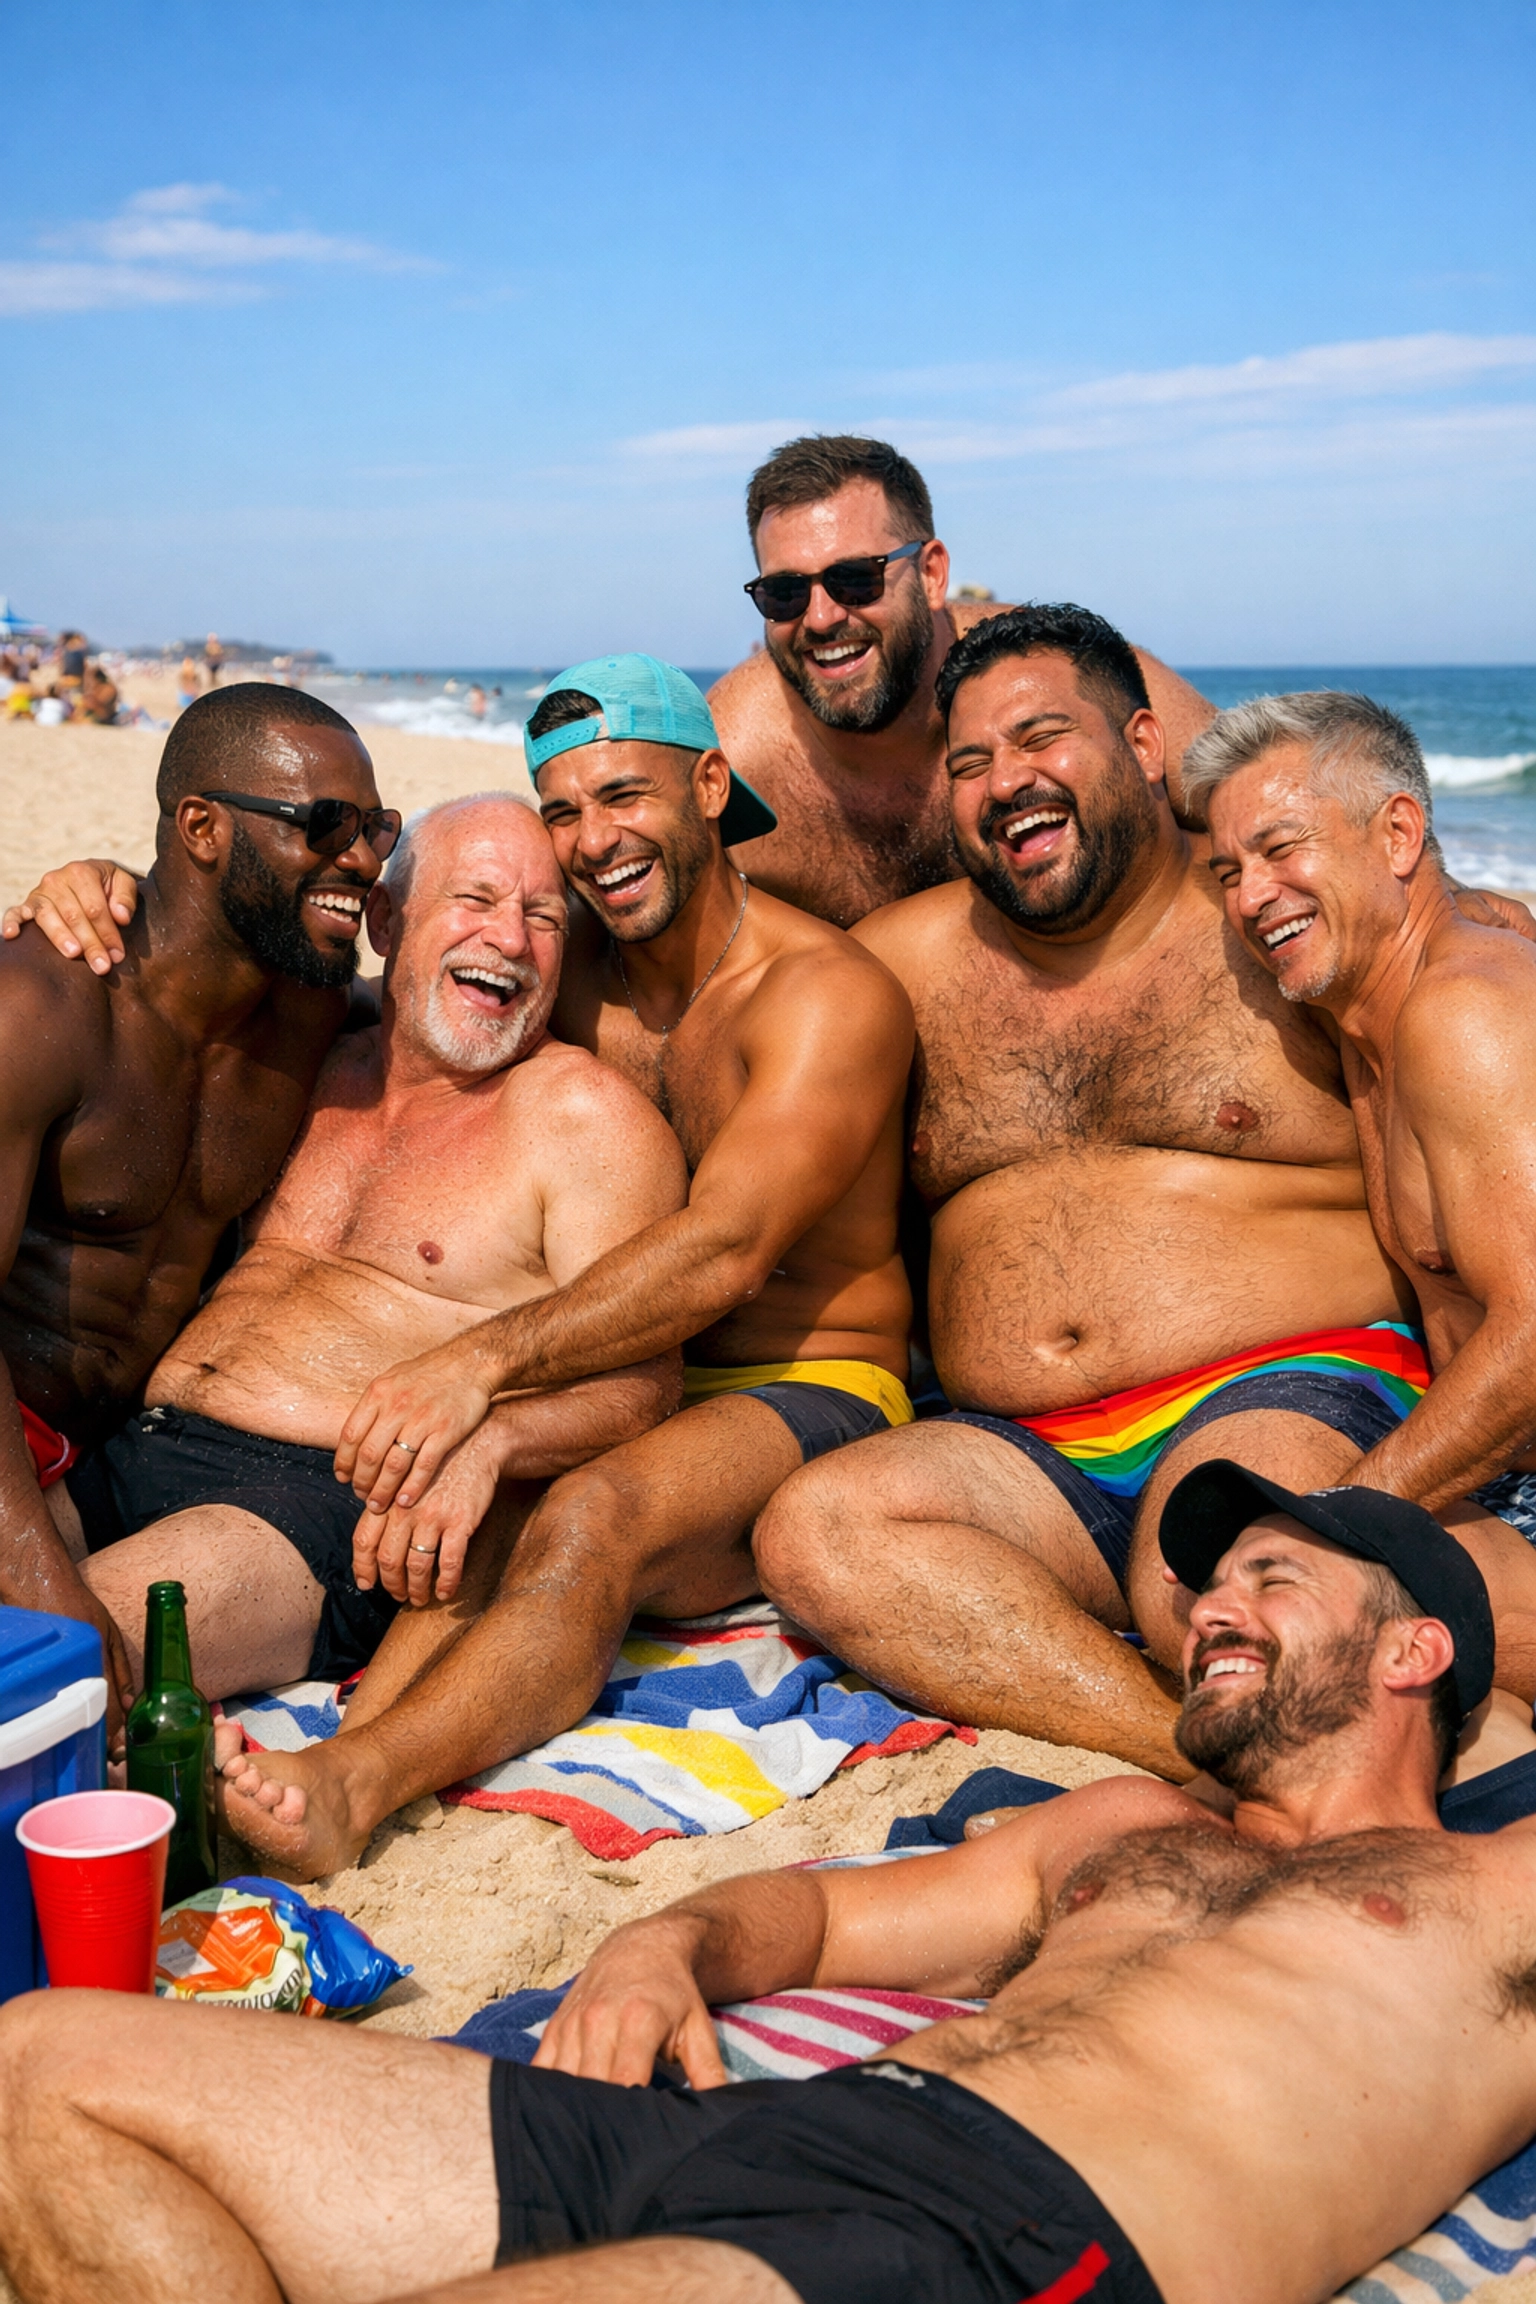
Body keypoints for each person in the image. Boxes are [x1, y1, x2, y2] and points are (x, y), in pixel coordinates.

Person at [6, 1466, 1535, 2304]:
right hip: (762, 2131)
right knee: (40, 2071)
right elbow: (815, 1918)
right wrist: (660, 1949)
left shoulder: (1488, 1898)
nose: (1209, 1607)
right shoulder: (1121, 1823)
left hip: (992, 2243)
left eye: (1276, 1580)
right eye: (1212, 1580)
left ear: (1415, 1654)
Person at [752, 605, 1536, 1779]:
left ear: (1142, 745)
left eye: (1042, 738)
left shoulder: (1279, 952)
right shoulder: (895, 967)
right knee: (816, 1534)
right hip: (1021, 1447)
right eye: (969, 762)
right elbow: (722, 972)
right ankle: (1175, 1757)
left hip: (1279, 1385)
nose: (1007, 780)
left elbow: (1423, 939)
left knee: (1204, 1586)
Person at [191, 654, 915, 1877]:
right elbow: (407, 995)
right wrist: (98, 891)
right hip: (618, 1366)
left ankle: (355, 1778)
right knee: (468, 1493)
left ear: (709, 783)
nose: (593, 840)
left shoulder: (820, 993)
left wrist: (476, 1368)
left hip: (799, 1380)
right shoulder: (572, 969)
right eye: (565, 811)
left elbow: (726, 1251)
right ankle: (343, 1746)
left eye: (625, 797)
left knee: (584, 1509)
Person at [70, 795, 685, 1702]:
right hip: (134, 1443)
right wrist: (91, 886)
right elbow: (181, 957)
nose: (509, 940)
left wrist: (496, 1441)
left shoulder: (583, 1122)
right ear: (389, 923)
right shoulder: (306, 1060)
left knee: (59, 1655)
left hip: (310, 1506)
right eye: (474, 901)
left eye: (543, 917)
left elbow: (644, 1381)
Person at [0, 684, 400, 1734]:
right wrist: (36, 1566)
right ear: (203, 828)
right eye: (324, 825)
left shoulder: (317, 1016)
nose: (360, 859)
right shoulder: (39, 1008)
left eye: (376, 830)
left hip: (119, 1455)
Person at [1193, 694, 1536, 1617]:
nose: (1250, 896)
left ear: (1397, 835)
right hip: (1505, 1479)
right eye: (1227, 869)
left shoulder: (1464, 1012)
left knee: (1290, 1610)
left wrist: (1331, 1524)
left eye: (1280, 848)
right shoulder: (1362, 1008)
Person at [708, 434, 1217, 925]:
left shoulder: (1059, 673)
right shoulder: (729, 763)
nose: (820, 618)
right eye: (784, 593)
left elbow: (1268, 812)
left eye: (856, 579)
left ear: (931, 575)